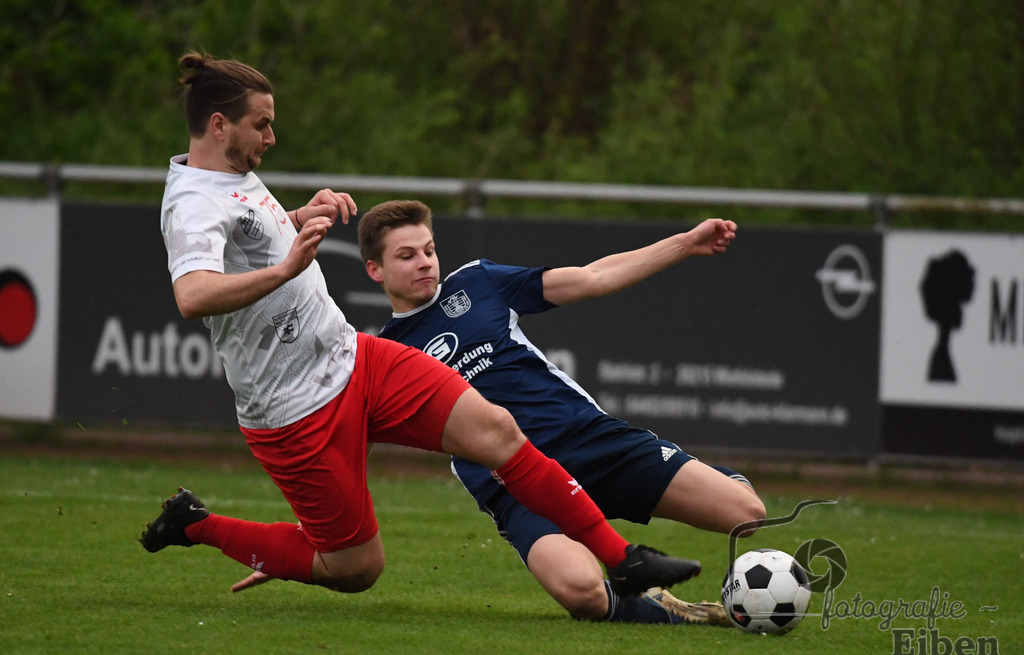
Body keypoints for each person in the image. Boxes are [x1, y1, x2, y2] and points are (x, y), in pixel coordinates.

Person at [140, 52, 702, 601]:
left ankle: (623, 558)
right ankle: (195, 524)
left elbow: (248, 237)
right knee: (355, 567)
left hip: (354, 358)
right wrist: (289, 265)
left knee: (499, 431)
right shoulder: (190, 204)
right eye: (261, 124)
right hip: (293, 408)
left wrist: (295, 219)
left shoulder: (232, 174)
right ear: (219, 125)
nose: (270, 137)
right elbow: (193, 296)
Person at [350, 199, 767, 624]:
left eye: (429, 250)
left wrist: (685, 242)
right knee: (583, 593)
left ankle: (699, 472)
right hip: (508, 486)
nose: (424, 263)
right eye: (407, 256)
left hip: (587, 441)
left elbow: (593, 277)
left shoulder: (478, 283)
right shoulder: (386, 354)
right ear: (375, 270)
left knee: (747, 515)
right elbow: (353, 436)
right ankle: (670, 609)